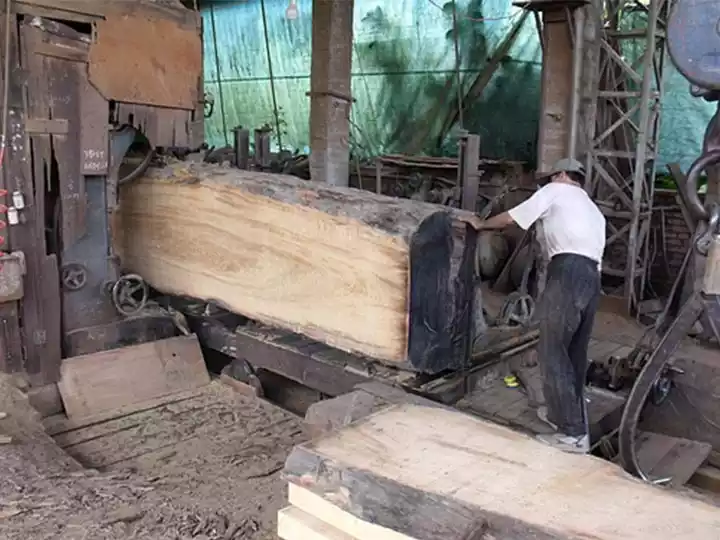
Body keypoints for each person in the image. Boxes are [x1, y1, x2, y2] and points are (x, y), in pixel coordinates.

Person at [462, 158, 606, 454]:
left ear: (563, 174)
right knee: (573, 353)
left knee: (550, 346)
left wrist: (481, 224)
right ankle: (571, 421)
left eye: (551, 177)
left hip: (568, 270)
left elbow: (513, 217)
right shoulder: (592, 209)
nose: (547, 183)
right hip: (591, 278)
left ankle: (572, 433)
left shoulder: (557, 191)